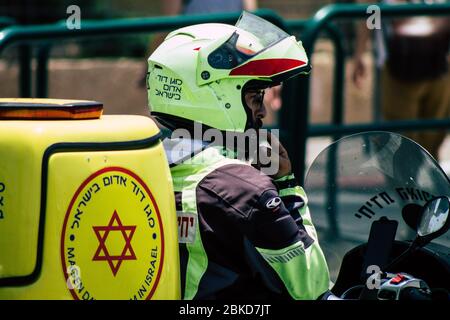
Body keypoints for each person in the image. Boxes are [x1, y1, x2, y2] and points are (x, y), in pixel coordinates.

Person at [146, 11, 330, 299]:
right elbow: (311, 286)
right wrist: (286, 184)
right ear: (217, 95)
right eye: (255, 97)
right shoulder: (246, 190)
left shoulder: (146, 164)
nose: (263, 111)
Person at [352, 0, 450, 160]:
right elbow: (370, 10)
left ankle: (428, 181)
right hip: (398, 66)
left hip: (439, 64)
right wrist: (361, 50)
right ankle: (407, 181)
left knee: (432, 140)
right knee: (401, 142)